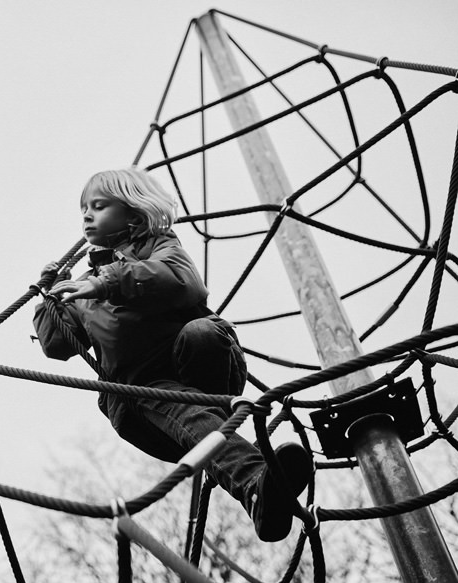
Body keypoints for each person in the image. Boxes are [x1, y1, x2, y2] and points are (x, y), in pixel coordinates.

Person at [33, 167, 311, 542]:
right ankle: (256, 484)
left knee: (201, 332)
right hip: (142, 397)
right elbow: (56, 344)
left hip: (200, 363)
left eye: (98, 206)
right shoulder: (83, 291)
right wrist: (49, 296)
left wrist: (106, 282)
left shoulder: (158, 246)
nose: (86, 216)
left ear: (133, 214)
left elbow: (182, 281)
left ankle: (232, 455)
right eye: (84, 208)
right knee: (177, 406)